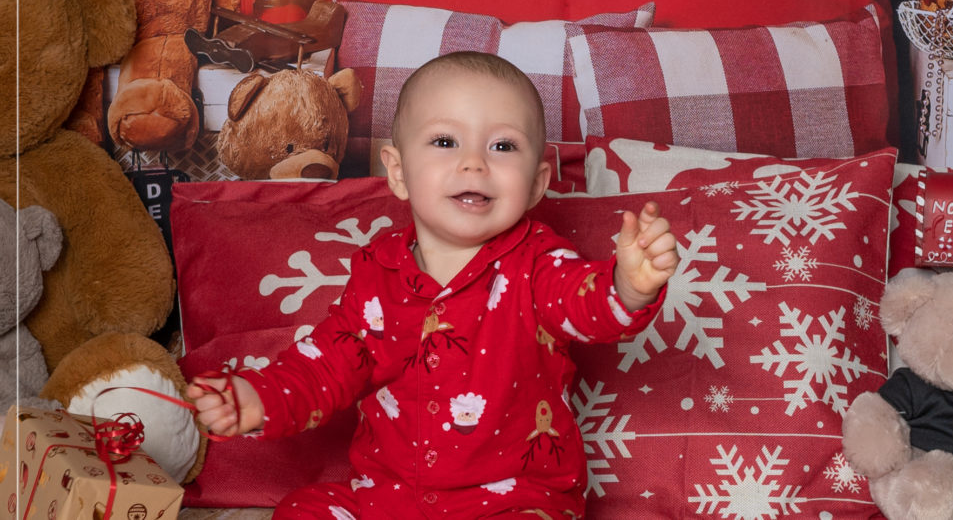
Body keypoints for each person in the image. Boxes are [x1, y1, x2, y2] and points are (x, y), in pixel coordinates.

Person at [187, 51, 679, 518]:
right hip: (391, 498)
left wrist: (627, 285)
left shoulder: (539, 264)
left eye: (502, 146)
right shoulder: (376, 272)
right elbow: (328, 363)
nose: (474, 163)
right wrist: (258, 397)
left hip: (514, 501)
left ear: (535, 184)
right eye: (445, 141)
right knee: (306, 510)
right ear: (398, 173)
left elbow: (586, 305)